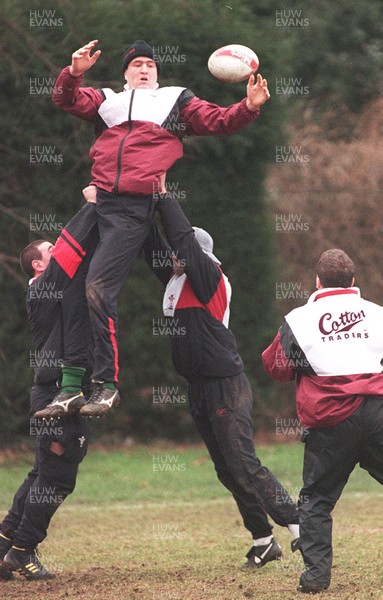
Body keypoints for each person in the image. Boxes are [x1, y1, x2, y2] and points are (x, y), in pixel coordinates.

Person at [51, 39, 271, 417]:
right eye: (136, 64)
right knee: (59, 280)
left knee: (97, 288)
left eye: (150, 65)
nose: (144, 69)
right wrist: (73, 72)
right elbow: (65, 99)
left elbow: (217, 120)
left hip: (132, 209)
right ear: (125, 73)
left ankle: (105, 385)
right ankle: (70, 387)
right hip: (98, 202)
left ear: (157, 72)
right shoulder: (107, 101)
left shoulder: (175, 100)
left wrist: (248, 107)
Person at [142, 194, 300, 569]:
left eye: (182, 253)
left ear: (197, 254)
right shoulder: (177, 279)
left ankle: (298, 525)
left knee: (244, 464)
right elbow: (153, 247)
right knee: (226, 469)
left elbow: (180, 238)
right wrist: (138, 204)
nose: (174, 258)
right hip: (199, 385)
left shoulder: (210, 277)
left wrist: (164, 199)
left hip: (224, 384)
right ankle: (264, 541)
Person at [262, 249, 383, 594]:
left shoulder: (299, 320)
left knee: (317, 500)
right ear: (353, 282)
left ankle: (315, 579)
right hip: (377, 414)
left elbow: (276, 368)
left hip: (330, 422)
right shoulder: (377, 314)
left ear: (317, 281)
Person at [0, 200, 98, 580]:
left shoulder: (49, 291)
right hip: (56, 395)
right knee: (57, 478)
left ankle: (5, 544)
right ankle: (23, 551)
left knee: (41, 473)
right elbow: (71, 255)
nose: (60, 257)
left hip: (50, 393)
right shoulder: (43, 289)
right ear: (39, 266)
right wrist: (93, 206)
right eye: (51, 254)